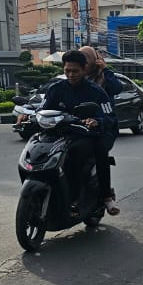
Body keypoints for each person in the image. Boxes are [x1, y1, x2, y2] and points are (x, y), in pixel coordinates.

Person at [34, 49, 115, 218]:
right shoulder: (56, 88)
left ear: (85, 69)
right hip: (63, 133)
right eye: (67, 71)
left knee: (81, 154)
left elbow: (110, 117)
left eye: (75, 71)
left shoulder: (96, 92)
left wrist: (96, 121)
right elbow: (42, 109)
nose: (71, 74)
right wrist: (28, 115)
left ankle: (98, 196)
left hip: (91, 134)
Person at [79, 46, 122, 215]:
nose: (73, 72)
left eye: (86, 61)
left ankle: (106, 197)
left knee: (99, 152)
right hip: (79, 127)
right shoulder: (72, 79)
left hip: (104, 127)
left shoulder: (103, 81)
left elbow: (117, 88)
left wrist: (106, 69)